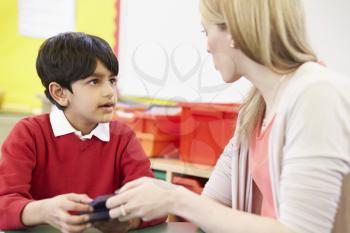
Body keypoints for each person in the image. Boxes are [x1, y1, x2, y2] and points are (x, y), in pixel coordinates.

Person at [104, 1, 350, 233]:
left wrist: (174, 198)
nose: (207, 47)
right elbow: (211, 206)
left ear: (233, 29)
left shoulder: (317, 93)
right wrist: (156, 193)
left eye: (205, 31)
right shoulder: (254, 110)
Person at [0, 32, 164, 232]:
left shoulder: (123, 137)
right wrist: (43, 211)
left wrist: (128, 222)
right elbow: (4, 204)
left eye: (112, 80)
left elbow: (155, 202)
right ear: (60, 93)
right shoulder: (29, 134)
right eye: (94, 81)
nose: (109, 92)